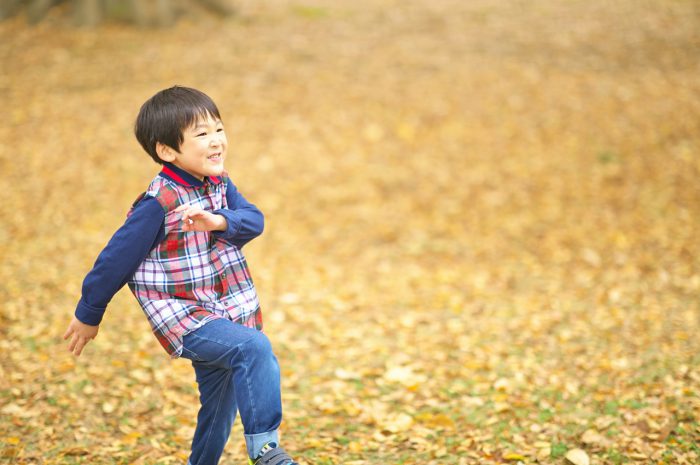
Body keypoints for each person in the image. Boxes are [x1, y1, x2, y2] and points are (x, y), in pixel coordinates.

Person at [63, 86, 299, 465]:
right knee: (253, 348)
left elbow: (254, 220)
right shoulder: (158, 203)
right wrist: (89, 312)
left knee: (219, 410)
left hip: (227, 311)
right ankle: (267, 449)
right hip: (184, 318)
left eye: (219, 129)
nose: (217, 141)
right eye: (202, 134)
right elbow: (115, 259)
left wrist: (220, 220)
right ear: (167, 151)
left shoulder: (220, 184)